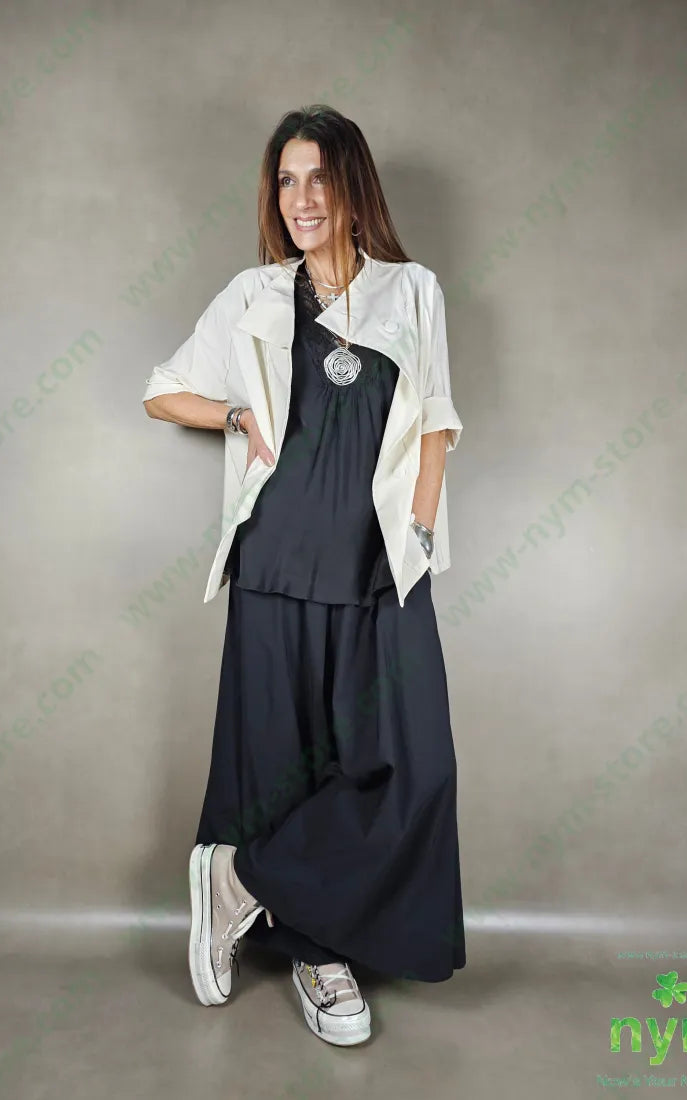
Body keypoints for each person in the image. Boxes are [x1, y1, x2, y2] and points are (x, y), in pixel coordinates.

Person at [143, 104, 465, 1047]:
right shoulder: (253, 295)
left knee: (412, 768)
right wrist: (236, 417)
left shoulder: (411, 291)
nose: (301, 198)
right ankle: (319, 957)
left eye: (319, 176)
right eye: (286, 180)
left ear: (353, 186)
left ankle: (237, 877)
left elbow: (436, 420)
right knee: (288, 768)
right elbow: (162, 392)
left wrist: (417, 531)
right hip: (276, 560)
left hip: (378, 565)